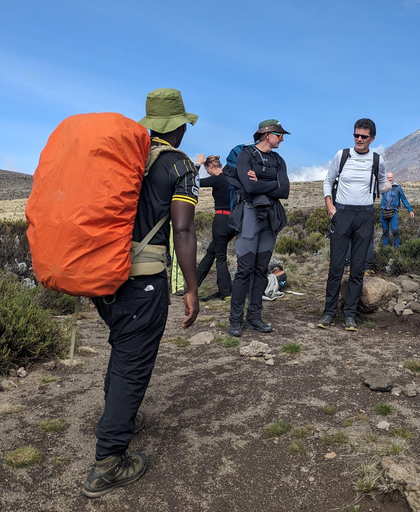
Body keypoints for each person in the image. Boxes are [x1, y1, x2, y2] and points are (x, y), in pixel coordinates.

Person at [82, 88, 201, 497]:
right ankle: (108, 462)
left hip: (104, 275)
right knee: (133, 363)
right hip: (144, 278)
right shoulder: (179, 165)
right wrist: (192, 287)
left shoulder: (125, 158)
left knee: (122, 349)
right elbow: (182, 229)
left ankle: (120, 418)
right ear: (180, 126)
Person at [317, 118, 390, 331]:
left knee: (358, 268)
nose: (359, 139)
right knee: (336, 267)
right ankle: (329, 313)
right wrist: (329, 205)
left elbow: (383, 183)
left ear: (372, 138)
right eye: (356, 135)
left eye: (363, 136)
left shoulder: (378, 160)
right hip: (342, 213)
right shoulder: (342, 156)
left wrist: (386, 187)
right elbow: (328, 181)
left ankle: (350, 315)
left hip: (365, 215)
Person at [228, 119, 290, 337]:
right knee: (244, 270)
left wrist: (263, 183)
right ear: (267, 134)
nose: (282, 139)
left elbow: (285, 191)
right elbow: (249, 186)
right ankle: (235, 321)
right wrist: (274, 182)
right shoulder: (246, 155)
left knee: (261, 270)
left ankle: (254, 318)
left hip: (269, 218)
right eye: (279, 135)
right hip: (250, 215)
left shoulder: (278, 159)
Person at [196, 155, 237, 301]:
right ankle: (193, 285)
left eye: (207, 170)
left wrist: (197, 165)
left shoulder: (217, 179)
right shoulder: (231, 177)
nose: (207, 173)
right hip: (233, 221)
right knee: (211, 251)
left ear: (211, 166)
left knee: (220, 257)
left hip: (221, 220)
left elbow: (194, 182)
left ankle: (226, 293)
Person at [379, 172, 414, 247]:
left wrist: (410, 210)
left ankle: (397, 249)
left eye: (390, 177)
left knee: (395, 231)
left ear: (393, 178)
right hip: (383, 212)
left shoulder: (397, 188)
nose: (389, 179)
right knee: (385, 232)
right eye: (388, 177)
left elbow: (403, 199)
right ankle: (385, 249)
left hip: (393, 212)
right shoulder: (382, 187)